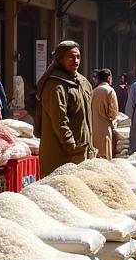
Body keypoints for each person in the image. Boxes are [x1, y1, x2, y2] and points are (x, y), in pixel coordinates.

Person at [34, 40, 94, 174]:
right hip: (63, 154)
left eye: (78, 57)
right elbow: (59, 119)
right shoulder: (55, 86)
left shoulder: (83, 82)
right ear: (60, 59)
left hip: (82, 151)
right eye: (71, 57)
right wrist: (71, 145)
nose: (76, 60)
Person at [90, 68, 120, 160]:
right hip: (105, 129)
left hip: (93, 128)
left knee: (95, 157)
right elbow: (114, 112)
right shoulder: (110, 91)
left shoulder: (93, 91)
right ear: (108, 78)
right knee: (105, 157)